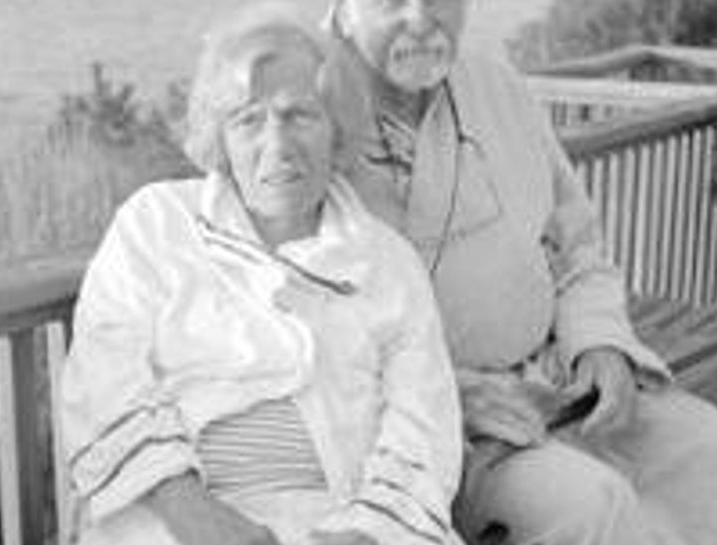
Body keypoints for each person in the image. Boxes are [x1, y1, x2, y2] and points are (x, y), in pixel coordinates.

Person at [320, 1, 717, 544]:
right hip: (438, 426)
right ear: (342, 11)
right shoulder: (303, 109)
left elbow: (576, 244)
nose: (420, 17)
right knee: (592, 507)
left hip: (563, 380)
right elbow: (279, 314)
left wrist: (599, 344)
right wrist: (448, 398)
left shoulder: (496, 86)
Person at [59, 5, 467, 545]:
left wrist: (359, 536)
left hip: (346, 521)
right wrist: (202, 523)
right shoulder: (155, 226)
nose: (277, 145)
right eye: (249, 120)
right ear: (220, 138)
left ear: (336, 129)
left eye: (299, 115)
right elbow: (104, 386)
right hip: (175, 521)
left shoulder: (386, 262)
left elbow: (424, 430)